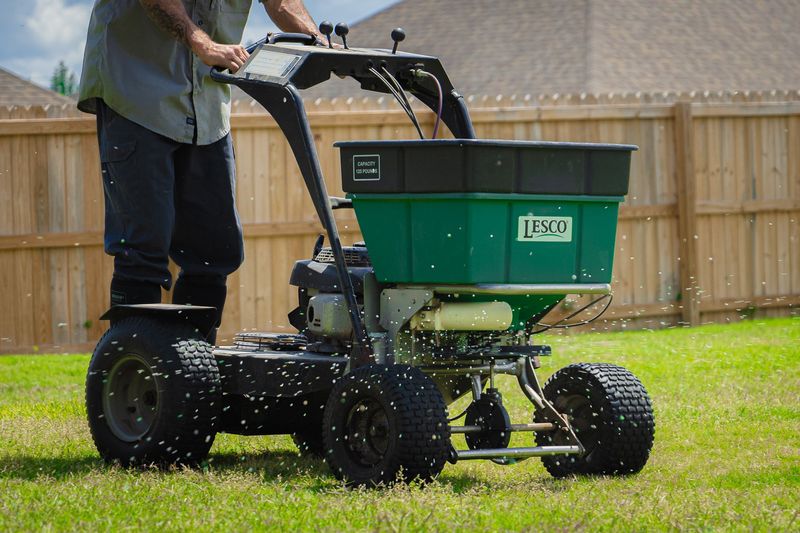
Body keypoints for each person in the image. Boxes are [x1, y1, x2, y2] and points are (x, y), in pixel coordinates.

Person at [78, 0, 320, 342]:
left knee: (215, 250)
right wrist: (203, 44)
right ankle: (131, 365)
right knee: (142, 245)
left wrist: (318, 42)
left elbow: (281, 2)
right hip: (136, 89)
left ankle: (192, 366)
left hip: (206, 101)